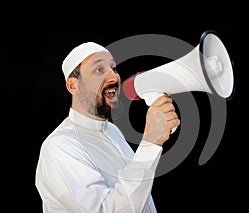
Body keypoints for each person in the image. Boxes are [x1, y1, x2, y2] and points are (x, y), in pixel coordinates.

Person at [35, 41, 180, 213]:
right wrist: (151, 141)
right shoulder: (60, 147)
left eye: (113, 68)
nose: (114, 77)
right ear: (73, 86)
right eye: (99, 70)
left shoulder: (112, 131)